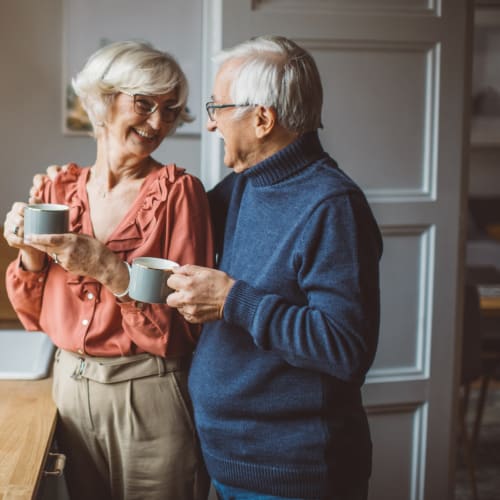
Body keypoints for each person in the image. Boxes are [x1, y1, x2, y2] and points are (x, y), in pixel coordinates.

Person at [166, 35, 383, 500]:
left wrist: (231, 300)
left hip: (293, 477)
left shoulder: (332, 206)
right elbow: (169, 224)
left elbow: (346, 349)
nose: (210, 125)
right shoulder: (244, 186)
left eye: (217, 108)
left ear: (262, 118)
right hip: (227, 460)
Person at [3, 40, 213, 500]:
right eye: (144, 103)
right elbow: (34, 317)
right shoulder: (58, 186)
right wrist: (28, 250)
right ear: (103, 101)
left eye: (171, 110)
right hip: (69, 388)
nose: (158, 123)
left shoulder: (179, 193)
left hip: (148, 391)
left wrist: (107, 267)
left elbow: (180, 331)